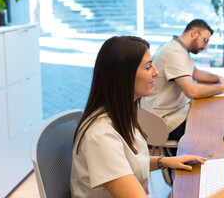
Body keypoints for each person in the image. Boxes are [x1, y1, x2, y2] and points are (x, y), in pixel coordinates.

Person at [70, 36, 206, 197]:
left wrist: (166, 161)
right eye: (148, 67)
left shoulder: (120, 115)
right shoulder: (101, 136)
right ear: (124, 76)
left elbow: (129, 163)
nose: (156, 72)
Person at [142, 19, 224, 141]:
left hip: (172, 112)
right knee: (213, 126)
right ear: (193, 33)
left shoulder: (178, 48)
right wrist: (222, 88)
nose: (205, 46)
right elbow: (192, 92)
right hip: (162, 122)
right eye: (205, 41)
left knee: (211, 114)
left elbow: (196, 73)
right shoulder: (173, 53)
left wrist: (219, 79)